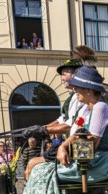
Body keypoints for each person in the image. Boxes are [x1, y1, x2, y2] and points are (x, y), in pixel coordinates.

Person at [0, 66, 108, 194]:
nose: (75, 90)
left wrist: (63, 147)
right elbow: (78, 132)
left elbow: (91, 141)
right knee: (40, 169)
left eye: (78, 87)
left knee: (41, 171)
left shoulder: (99, 108)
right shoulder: (90, 107)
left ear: (89, 90)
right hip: (95, 160)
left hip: (99, 163)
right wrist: (62, 145)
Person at [23, 46, 97, 179]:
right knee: (31, 165)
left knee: (32, 164)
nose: (62, 78)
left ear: (75, 75)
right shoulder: (75, 97)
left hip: (76, 146)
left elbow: (72, 126)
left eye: (64, 74)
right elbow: (63, 119)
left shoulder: (84, 98)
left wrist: (44, 130)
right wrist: (41, 128)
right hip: (71, 143)